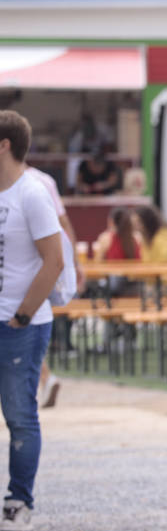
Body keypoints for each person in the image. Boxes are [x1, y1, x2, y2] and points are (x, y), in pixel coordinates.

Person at [0, 110, 65, 531]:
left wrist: (22, 315)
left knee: (20, 414)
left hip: (21, 323)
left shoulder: (32, 193)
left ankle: (18, 501)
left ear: (4, 145)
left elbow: (54, 261)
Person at [24, 162, 84, 408]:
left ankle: (44, 378)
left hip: (21, 265)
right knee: (29, 323)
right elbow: (64, 224)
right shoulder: (44, 180)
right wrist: (76, 263)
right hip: (44, 263)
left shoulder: (18, 183)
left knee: (20, 326)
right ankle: (45, 378)